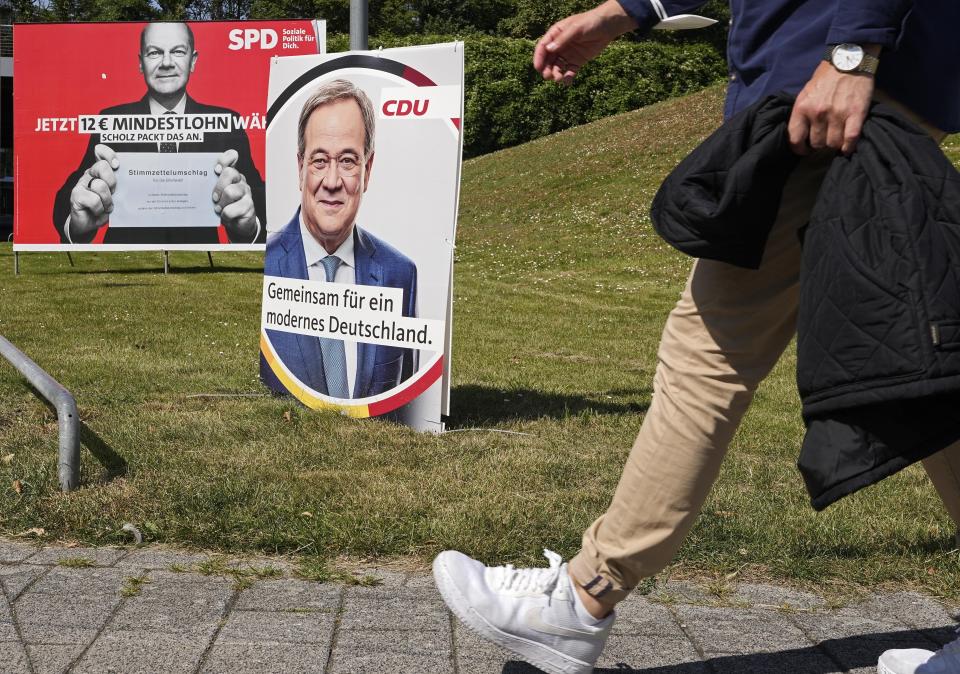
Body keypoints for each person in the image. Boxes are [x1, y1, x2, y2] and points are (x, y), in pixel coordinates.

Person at [431, 2, 960, 674]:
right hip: (846, 73)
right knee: (923, 356)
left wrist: (853, 51)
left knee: (710, 351)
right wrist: (624, 13)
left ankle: (583, 596)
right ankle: (581, 600)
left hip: (832, 81)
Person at [261, 79, 418, 400]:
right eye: (319, 161)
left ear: (368, 169)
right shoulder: (267, 266)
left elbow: (405, 399)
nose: (332, 182)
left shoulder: (400, 273)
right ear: (300, 166)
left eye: (347, 161)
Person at [53, 22, 265, 245]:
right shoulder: (111, 120)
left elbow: (257, 195)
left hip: (199, 257)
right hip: (125, 259)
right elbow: (74, 193)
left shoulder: (227, 124)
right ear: (140, 63)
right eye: (154, 52)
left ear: (192, 61)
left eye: (177, 52)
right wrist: (77, 224)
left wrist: (249, 226)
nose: (166, 63)